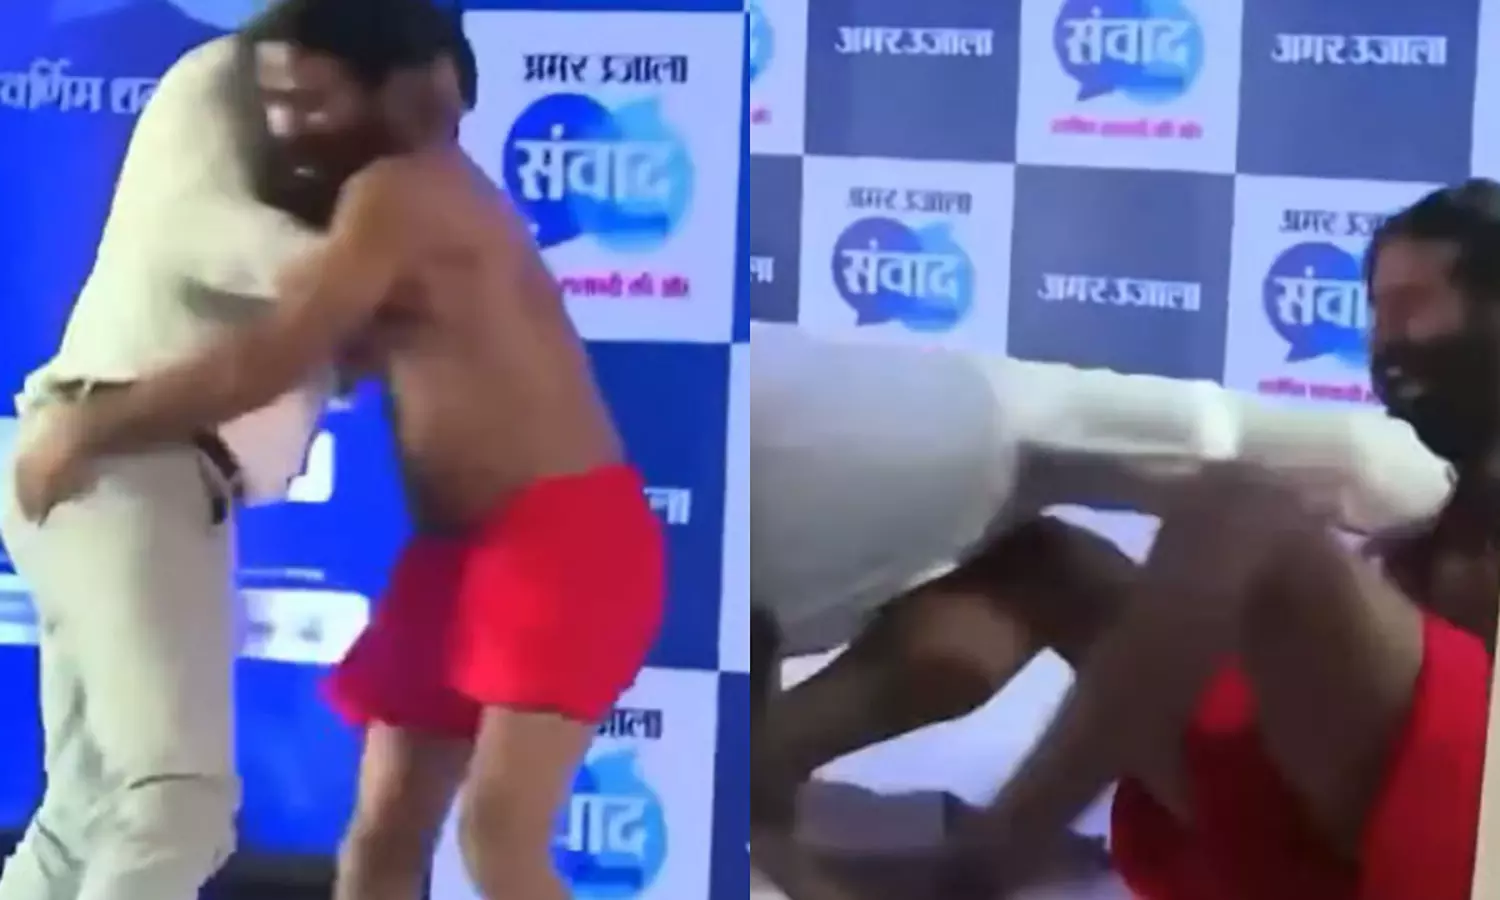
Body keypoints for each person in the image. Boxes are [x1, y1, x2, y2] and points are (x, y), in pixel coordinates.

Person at [13, 3, 663, 900]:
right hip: (456, 554)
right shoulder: (378, 201)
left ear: (407, 92)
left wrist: (87, 428)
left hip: (559, 540)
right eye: (276, 99)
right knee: (380, 844)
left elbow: (265, 359)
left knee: (497, 843)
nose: (287, 125)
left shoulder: (402, 191)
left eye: (314, 101)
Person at [747, 324, 1454, 898]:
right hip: (1311, 816)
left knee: (1232, 512)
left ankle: (783, 782)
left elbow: (1247, 512)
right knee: (1047, 561)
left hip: (1373, 843)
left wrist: (993, 855)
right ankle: (755, 768)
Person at [943, 180, 1500, 900]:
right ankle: (791, 765)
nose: (1386, 340)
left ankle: (987, 861)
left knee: (1244, 509)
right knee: (1047, 560)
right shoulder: (1420, 488)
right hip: (1342, 830)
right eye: (1377, 312)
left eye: (1412, 306)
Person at [0, 35, 333, 900]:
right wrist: (366, 270)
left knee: (85, 815)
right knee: (178, 802)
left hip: (120, 472)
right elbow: (202, 236)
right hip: (125, 464)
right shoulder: (227, 77)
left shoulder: (313, 126)